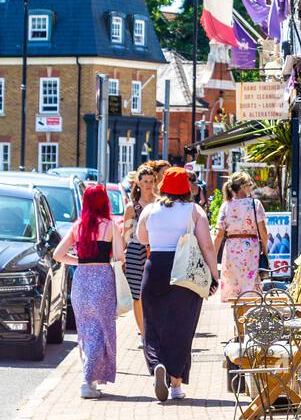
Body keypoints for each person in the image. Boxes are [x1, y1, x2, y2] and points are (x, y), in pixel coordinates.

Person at [136, 167, 219, 402]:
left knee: (152, 323)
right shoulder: (194, 211)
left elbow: (142, 239)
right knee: (182, 325)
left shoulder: (150, 210)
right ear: (186, 188)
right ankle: (175, 384)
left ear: (163, 186)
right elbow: (208, 246)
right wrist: (213, 276)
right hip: (185, 270)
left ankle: (157, 364)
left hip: (155, 268)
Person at [53, 184, 124, 399]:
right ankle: (87, 381)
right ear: (104, 203)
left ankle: (91, 380)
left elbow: (58, 254)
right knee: (101, 330)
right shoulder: (111, 226)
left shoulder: (78, 226)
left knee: (86, 331)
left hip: (82, 280)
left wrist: (79, 260)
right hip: (103, 278)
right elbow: (120, 256)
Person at [213, 172, 268, 302]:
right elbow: (263, 232)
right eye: (250, 184)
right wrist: (265, 250)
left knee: (235, 287)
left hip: (231, 248)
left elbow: (219, 234)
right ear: (243, 186)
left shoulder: (226, 205)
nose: (251, 187)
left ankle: (238, 317)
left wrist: (213, 257)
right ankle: (247, 318)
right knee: (250, 284)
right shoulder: (255, 204)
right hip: (251, 248)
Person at [122, 164, 157, 336]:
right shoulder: (132, 207)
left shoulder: (159, 204)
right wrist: (121, 258)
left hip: (156, 250)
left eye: (151, 181)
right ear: (139, 183)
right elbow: (126, 235)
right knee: (138, 295)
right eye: (145, 181)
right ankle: (143, 334)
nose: (148, 185)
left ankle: (153, 330)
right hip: (136, 251)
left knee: (154, 293)